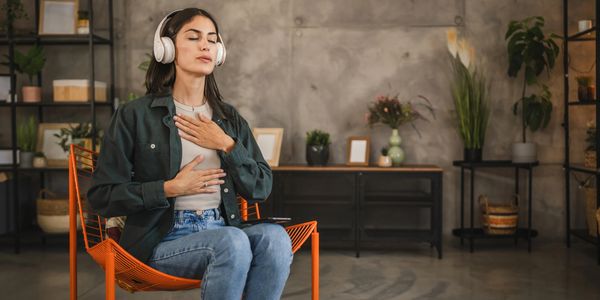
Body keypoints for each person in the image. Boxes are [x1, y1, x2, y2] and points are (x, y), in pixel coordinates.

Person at [87, 8, 293, 300]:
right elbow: (102, 196)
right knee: (231, 242)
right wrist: (169, 189)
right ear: (167, 48)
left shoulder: (228, 119)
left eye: (212, 39)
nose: (205, 45)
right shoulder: (135, 116)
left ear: (219, 52)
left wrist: (227, 145)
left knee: (275, 239)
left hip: (223, 227)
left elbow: (261, 187)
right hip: (161, 239)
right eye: (194, 37)